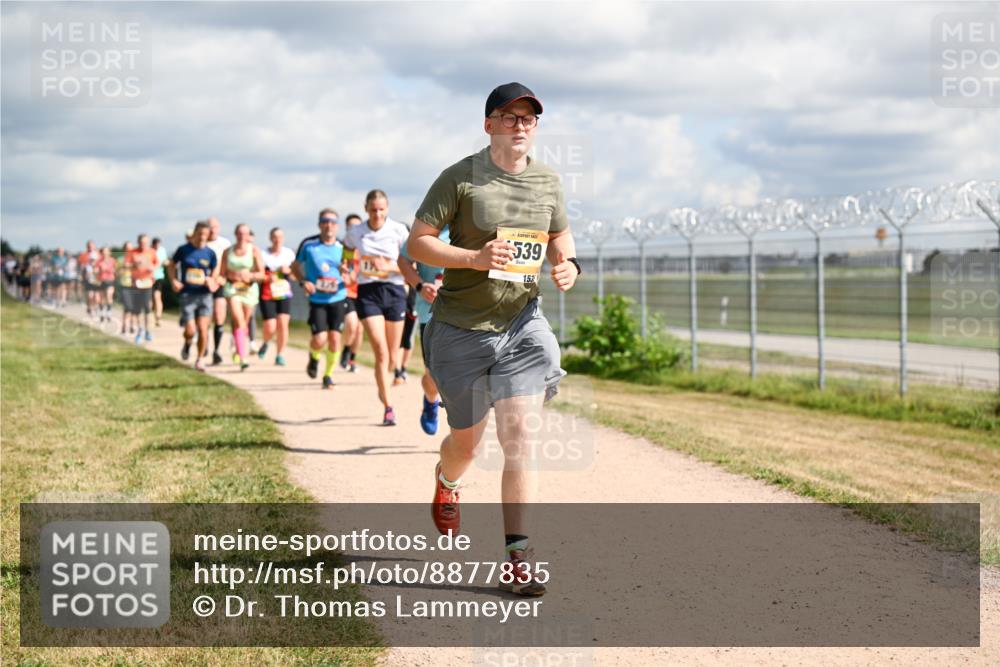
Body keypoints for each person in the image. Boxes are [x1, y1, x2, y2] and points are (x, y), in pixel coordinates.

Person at [407, 82, 581, 596]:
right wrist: (474, 259)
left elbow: (560, 237)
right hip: (460, 327)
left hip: (522, 324)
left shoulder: (548, 180)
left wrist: (568, 265)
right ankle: (448, 480)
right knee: (468, 443)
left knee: (520, 437)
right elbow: (418, 240)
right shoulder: (460, 178)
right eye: (508, 116)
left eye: (528, 118)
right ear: (488, 125)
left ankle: (517, 557)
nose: (520, 125)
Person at [343, 191, 410, 425]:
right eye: (373, 209)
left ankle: (386, 384)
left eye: (381, 209)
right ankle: (388, 407)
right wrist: (347, 268)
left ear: (387, 208)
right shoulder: (356, 232)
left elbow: (411, 267)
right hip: (368, 292)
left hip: (394, 291)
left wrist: (389, 267)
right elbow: (347, 250)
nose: (377, 214)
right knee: (380, 352)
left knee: (393, 355)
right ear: (366, 209)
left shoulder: (399, 231)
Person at [398, 225, 450, 435]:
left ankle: (458, 434)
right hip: (431, 312)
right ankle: (430, 401)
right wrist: (420, 286)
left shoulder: (475, 225)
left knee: (463, 376)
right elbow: (403, 260)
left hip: (466, 312)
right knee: (433, 377)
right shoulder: (426, 228)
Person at [294, 209, 350, 390]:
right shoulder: (309, 245)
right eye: (325, 221)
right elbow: (294, 267)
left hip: (338, 298)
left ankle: (328, 375)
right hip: (317, 300)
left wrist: (346, 274)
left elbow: (352, 272)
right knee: (319, 339)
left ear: (337, 225)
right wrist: (303, 282)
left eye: (333, 222)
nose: (329, 225)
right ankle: (314, 357)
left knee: (334, 338)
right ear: (319, 224)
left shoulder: (344, 247)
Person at [169, 221, 220, 372]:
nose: (202, 237)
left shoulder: (210, 253)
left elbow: (216, 269)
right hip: (187, 294)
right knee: (191, 330)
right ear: (195, 233)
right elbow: (172, 265)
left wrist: (212, 279)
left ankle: (200, 359)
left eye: (205, 234)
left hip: (204, 295)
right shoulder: (184, 250)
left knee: (203, 329)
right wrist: (174, 281)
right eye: (200, 234)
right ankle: (188, 342)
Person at [220, 224, 265, 371]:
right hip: (232, 289)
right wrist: (224, 278)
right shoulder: (228, 252)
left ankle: (236, 346)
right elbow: (222, 273)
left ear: (248, 235)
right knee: (239, 320)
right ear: (235, 234)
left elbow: (262, 274)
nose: (241, 236)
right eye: (239, 233)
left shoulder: (254, 251)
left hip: (249, 290)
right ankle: (243, 357)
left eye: (244, 233)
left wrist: (250, 275)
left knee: (243, 322)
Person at [258, 227, 296, 366]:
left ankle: (279, 354)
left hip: (283, 292)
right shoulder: (263, 254)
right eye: (275, 237)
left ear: (283, 238)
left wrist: (289, 271)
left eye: (280, 237)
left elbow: (295, 275)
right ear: (270, 238)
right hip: (267, 293)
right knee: (270, 326)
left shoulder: (289, 254)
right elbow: (258, 274)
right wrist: (268, 276)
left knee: (283, 324)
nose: (277, 240)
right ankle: (266, 341)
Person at [339, 213, 364, 373]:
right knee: (351, 324)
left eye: (357, 226)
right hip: (347, 292)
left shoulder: (365, 248)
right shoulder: (342, 247)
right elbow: (338, 266)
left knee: (360, 329)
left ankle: (352, 358)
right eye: (351, 227)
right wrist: (343, 275)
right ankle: (345, 350)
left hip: (364, 290)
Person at [206, 217, 232, 365]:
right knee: (205, 318)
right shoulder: (202, 243)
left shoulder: (225, 244)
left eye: (215, 227)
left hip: (220, 284)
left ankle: (216, 351)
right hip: (204, 285)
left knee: (220, 316)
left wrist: (223, 278)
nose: (212, 230)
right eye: (210, 227)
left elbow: (229, 264)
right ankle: (204, 347)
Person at [126, 234, 159, 343]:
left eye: (145, 243)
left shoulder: (152, 252)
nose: (143, 245)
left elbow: (157, 263)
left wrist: (152, 268)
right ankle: (140, 331)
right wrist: (134, 265)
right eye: (141, 242)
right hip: (136, 283)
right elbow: (126, 265)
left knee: (148, 308)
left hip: (147, 283)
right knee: (138, 309)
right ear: (138, 242)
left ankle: (148, 331)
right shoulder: (132, 252)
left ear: (148, 243)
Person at [95, 246, 117, 322]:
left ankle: (109, 312)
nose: (105, 253)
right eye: (103, 252)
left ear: (109, 252)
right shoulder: (99, 261)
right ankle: (102, 312)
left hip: (110, 280)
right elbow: (95, 270)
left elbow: (116, 270)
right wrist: (100, 270)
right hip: (101, 281)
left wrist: (113, 270)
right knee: (101, 298)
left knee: (109, 295)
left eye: (106, 252)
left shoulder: (113, 260)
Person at [152, 237, 169, 327]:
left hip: (159, 277)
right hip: (149, 278)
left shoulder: (162, 250)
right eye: (156, 245)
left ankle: (158, 317)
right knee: (151, 299)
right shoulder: (150, 251)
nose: (157, 246)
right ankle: (151, 316)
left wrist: (166, 263)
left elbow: (165, 261)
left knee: (157, 297)